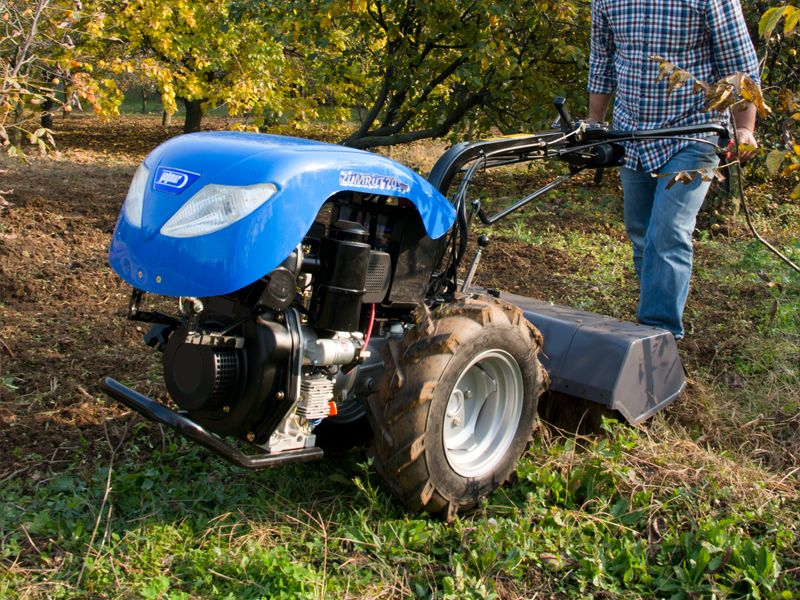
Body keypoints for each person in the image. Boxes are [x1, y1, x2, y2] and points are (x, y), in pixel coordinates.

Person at [588, 0, 760, 339]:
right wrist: (595, 121)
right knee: (641, 232)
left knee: (667, 232)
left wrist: (745, 128)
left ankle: (659, 336)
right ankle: (652, 322)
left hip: (694, 132)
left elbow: (739, 65)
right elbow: (602, 59)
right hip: (632, 132)